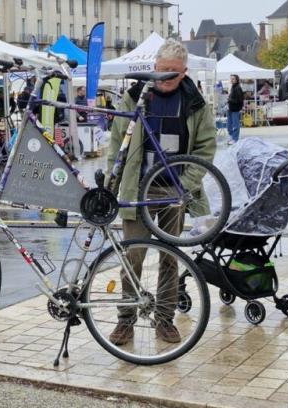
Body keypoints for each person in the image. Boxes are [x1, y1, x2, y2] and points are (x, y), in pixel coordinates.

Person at [106, 39, 216, 346]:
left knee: (171, 258)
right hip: (138, 190)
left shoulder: (195, 103)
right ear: (154, 67)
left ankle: (164, 319)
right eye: (162, 70)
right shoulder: (134, 97)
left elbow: (206, 149)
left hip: (174, 191)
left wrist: (186, 184)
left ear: (185, 73)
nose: (166, 77)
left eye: (174, 73)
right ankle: (125, 320)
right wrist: (111, 184)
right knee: (133, 256)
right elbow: (116, 142)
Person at [227, 74, 244, 145]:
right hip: (231, 108)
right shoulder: (233, 87)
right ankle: (231, 136)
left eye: (233, 79)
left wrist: (230, 100)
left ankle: (235, 138)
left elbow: (240, 100)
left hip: (235, 109)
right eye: (231, 79)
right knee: (229, 124)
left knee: (235, 124)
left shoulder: (238, 88)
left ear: (237, 79)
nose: (231, 80)